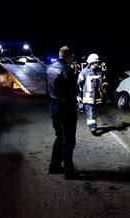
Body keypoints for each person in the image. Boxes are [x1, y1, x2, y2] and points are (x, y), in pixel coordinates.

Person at [46, 46, 79, 179]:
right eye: (72, 56)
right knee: (69, 140)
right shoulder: (68, 70)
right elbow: (74, 90)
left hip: (54, 107)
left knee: (59, 137)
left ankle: (54, 166)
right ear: (69, 56)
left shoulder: (49, 68)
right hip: (66, 108)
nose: (72, 59)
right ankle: (69, 171)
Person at [77, 53, 104, 136]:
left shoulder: (99, 72)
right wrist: (79, 95)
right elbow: (79, 84)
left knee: (95, 112)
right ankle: (92, 127)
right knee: (90, 111)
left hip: (96, 97)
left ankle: (93, 125)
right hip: (88, 97)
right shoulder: (84, 72)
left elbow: (101, 84)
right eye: (97, 62)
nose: (98, 63)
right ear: (92, 63)